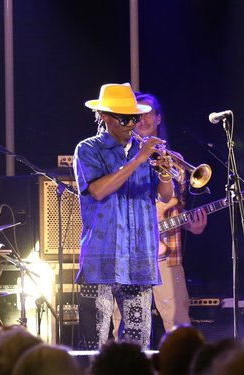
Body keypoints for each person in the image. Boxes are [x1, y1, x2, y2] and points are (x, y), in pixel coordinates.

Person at [74, 83, 175, 350]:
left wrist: (164, 171)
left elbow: (165, 196)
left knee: (138, 347)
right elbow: (98, 190)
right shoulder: (88, 149)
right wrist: (138, 159)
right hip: (101, 260)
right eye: (125, 117)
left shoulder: (145, 151)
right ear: (105, 116)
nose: (133, 123)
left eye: (135, 117)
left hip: (140, 260)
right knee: (94, 347)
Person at [135, 92, 206, 334]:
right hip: (129, 254)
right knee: (119, 322)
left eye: (148, 114)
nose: (142, 120)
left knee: (178, 325)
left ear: (157, 119)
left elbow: (178, 208)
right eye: (137, 115)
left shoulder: (176, 161)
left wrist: (191, 225)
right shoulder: (123, 159)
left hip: (169, 253)